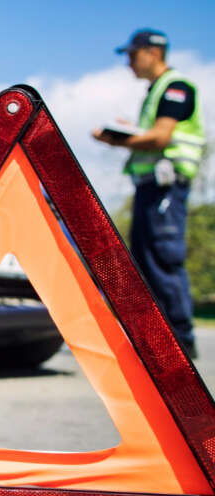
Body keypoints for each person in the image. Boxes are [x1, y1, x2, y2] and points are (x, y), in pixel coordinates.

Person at [93, 28, 204, 359]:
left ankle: (180, 343)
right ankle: (157, 340)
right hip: (150, 188)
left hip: (165, 188)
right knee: (144, 259)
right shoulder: (156, 91)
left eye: (131, 55)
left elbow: (160, 138)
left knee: (163, 258)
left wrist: (118, 139)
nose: (128, 63)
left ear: (152, 53)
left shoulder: (176, 87)